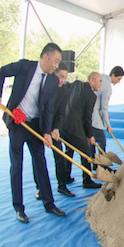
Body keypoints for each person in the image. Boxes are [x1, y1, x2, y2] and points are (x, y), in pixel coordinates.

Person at [0, 43, 65, 223]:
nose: (56, 66)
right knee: (16, 165)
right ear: (45, 57)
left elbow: (49, 108)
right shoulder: (25, 67)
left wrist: (47, 132)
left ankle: (49, 204)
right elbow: (2, 72)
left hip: (35, 126)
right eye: (56, 61)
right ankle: (19, 208)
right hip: (17, 123)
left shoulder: (52, 80)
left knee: (41, 163)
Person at [62, 72, 103, 189]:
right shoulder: (91, 96)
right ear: (91, 80)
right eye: (99, 81)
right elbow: (87, 117)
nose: (101, 84)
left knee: (69, 149)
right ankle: (87, 180)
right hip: (74, 126)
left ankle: (66, 176)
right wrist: (90, 135)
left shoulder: (76, 84)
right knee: (85, 151)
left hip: (63, 124)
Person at [48, 62, 73, 197]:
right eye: (60, 76)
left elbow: (61, 112)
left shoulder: (65, 91)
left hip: (54, 127)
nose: (62, 80)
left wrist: (56, 128)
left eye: (65, 77)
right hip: (39, 125)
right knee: (38, 158)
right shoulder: (44, 86)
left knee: (60, 156)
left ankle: (62, 186)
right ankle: (40, 188)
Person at [91, 66, 124, 157]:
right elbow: (104, 108)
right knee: (101, 140)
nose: (118, 82)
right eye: (118, 79)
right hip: (94, 115)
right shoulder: (108, 88)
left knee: (91, 138)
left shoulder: (101, 76)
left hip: (88, 113)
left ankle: (94, 161)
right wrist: (108, 125)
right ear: (113, 75)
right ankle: (101, 161)